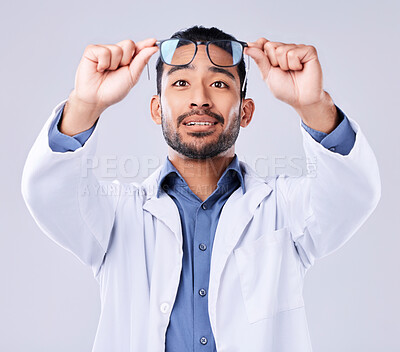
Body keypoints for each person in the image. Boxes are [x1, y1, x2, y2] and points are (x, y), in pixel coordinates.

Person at [21, 25, 381, 352]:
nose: (200, 99)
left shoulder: (282, 209)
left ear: (246, 112)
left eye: (220, 83)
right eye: (180, 83)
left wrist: (313, 105)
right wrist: (85, 104)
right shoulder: (118, 214)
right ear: (156, 110)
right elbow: (51, 192)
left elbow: (353, 191)